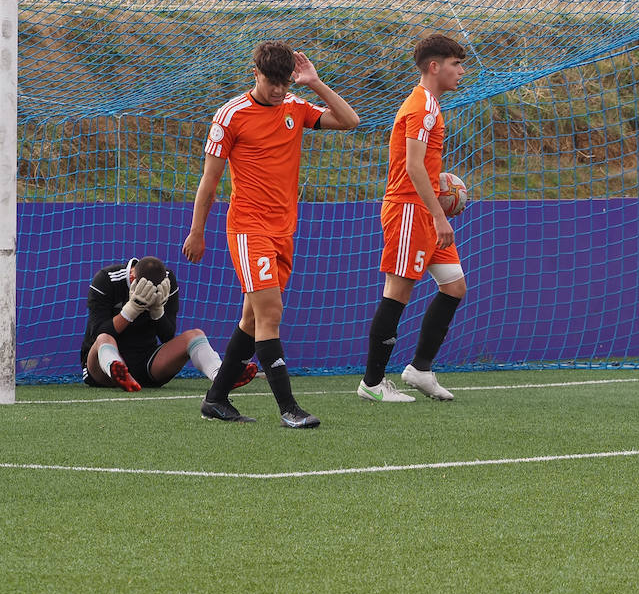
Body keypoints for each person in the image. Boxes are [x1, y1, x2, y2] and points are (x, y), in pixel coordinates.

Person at [183, 41, 360, 427]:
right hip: (248, 228)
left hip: (284, 229)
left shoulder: (295, 107)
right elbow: (209, 181)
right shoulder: (230, 115)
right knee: (271, 314)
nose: (278, 90)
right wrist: (198, 231)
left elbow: (349, 121)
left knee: (252, 320)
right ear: (255, 73)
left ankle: (215, 400)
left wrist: (314, 82)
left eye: (284, 81)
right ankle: (289, 409)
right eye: (271, 81)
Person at [358, 34, 470, 403]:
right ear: (434, 66)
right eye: (456, 64)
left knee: (454, 286)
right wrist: (440, 215)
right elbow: (413, 166)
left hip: (423, 208)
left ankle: (420, 369)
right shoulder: (421, 106)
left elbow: (423, 166)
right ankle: (372, 384)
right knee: (398, 292)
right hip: (409, 210)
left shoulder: (432, 105)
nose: (462, 71)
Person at [81, 255, 257, 392]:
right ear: (133, 277)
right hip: (100, 368)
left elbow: (167, 335)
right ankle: (118, 371)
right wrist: (132, 309)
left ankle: (222, 376)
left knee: (195, 335)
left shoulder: (166, 281)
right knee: (104, 337)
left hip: (147, 363)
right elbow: (97, 333)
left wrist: (157, 311)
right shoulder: (107, 279)